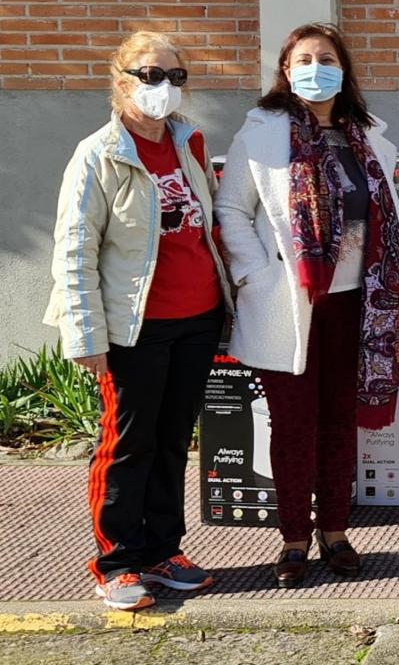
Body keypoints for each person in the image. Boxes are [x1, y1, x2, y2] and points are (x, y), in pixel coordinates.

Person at [216, 22, 399, 587]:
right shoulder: (263, 132)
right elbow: (231, 209)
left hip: (359, 303)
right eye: (303, 59)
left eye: (326, 57)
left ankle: (336, 532)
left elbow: (384, 218)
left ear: (343, 69)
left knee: (338, 422)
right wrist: (255, 274)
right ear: (284, 70)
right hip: (289, 304)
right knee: (295, 424)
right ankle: (294, 540)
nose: (314, 67)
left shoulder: (367, 135)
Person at [46, 31, 230, 611]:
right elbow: (75, 248)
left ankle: (162, 549)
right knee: (128, 444)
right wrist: (85, 333)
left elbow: (206, 226)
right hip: (135, 327)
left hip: (196, 318)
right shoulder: (98, 154)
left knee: (173, 441)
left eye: (175, 77)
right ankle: (117, 561)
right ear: (121, 78)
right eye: (151, 75)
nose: (164, 88)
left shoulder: (189, 143)